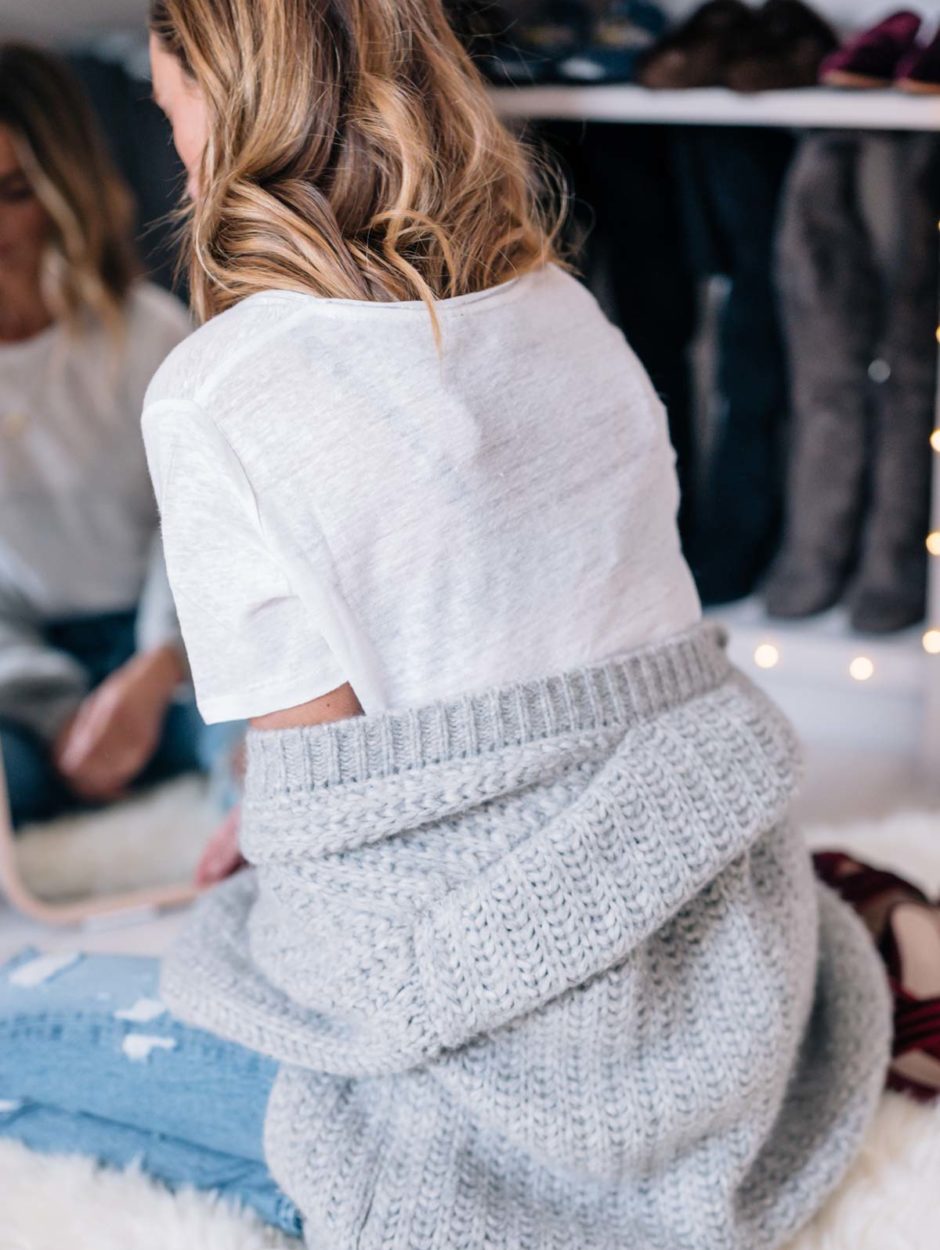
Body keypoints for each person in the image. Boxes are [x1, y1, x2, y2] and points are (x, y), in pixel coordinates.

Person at [0, 4, 890, 1248]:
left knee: (22, 1027)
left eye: (173, 112)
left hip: (505, 1087)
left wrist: (278, 859)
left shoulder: (213, 390)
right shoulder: (566, 313)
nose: (180, 155)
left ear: (245, 103)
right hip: (726, 998)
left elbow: (336, 860)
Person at [0, 43, 240, 836]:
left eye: (14, 193)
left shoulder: (148, 334)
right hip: (22, 671)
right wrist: (61, 710)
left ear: (60, 189)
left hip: (168, 653)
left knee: (269, 744)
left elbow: (198, 520)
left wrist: (156, 666)